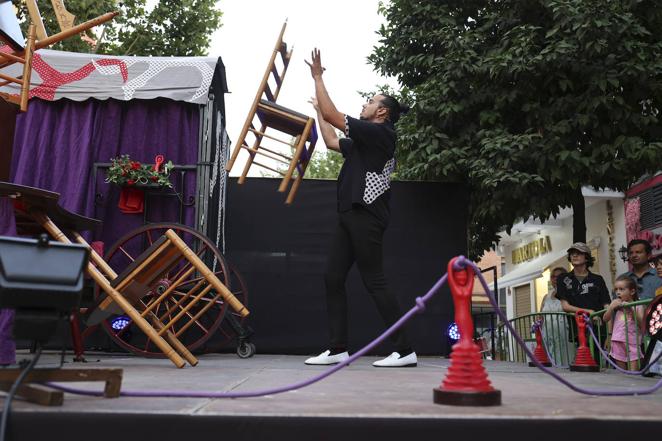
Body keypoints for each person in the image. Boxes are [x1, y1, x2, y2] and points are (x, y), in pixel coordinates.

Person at [303, 49, 416, 367]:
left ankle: (405, 349)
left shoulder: (380, 134)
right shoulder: (367, 141)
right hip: (351, 215)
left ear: (382, 113)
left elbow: (333, 115)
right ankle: (338, 348)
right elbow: (332, 141)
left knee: (374, 280)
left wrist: (318, 78)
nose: (364, 104)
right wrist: (317, 110)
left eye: (370, 101)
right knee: (332, 277)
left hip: (366, 216)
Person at [555, 242, 611, 361]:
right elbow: (565, 306)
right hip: (577, 326)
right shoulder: (563, 279)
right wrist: (589, 312)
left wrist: (610, 332)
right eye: (572, 253)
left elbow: (607, 305)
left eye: (579, 253)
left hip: (599, 327)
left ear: (586, 257)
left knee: (600, 361)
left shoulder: (597, 279)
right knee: (584, 360)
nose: (574, 256)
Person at [603, 275, 645, 370]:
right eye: (616, 289)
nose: (618, 292)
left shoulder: (638, 305)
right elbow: (605, 319)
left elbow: (641, 323)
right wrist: (610, 307)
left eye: (621, 289)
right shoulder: (617, 307)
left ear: (632, 291)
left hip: (632, 342)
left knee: (633, 372)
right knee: (622, 373)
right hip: (617, 341)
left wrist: (631, 308)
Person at [539, 267, 572, 366]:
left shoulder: (570, 294)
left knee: (564, 361)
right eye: (553, 277)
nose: (555, 279)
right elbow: (540, 316)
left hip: (564, 334)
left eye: (559, 276)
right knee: (550, 362)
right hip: (547, 335)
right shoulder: (546, 296)